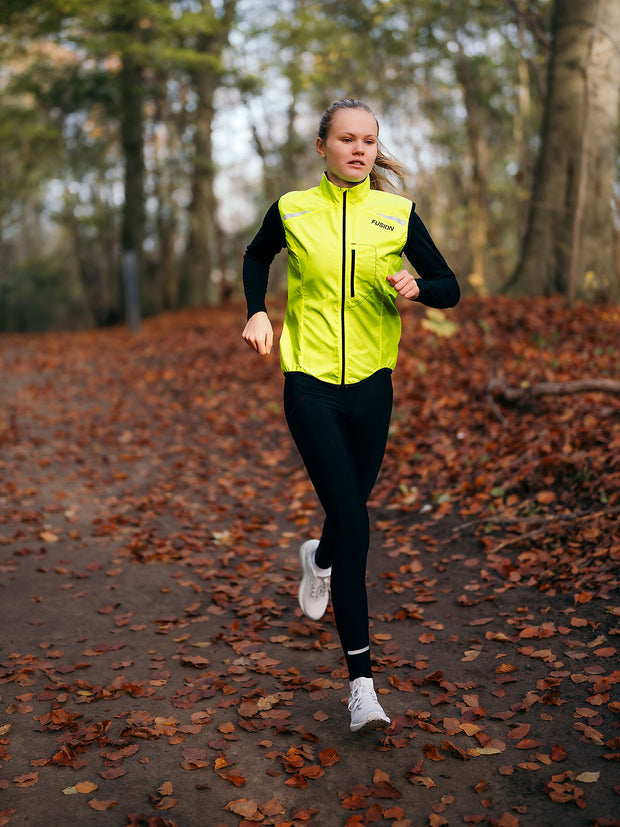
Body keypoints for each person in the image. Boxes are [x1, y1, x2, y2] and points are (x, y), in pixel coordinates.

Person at [242, 98, 459, 734]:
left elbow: (449, 285)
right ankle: (361, 684)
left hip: (373, 387)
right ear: (323, 147)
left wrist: (421, 288)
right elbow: (258, 257)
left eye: (368, 140)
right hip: (308, 382)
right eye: (346, 139)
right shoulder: (292, 209)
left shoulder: (398, 215)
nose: (359, 149)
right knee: (357, 524)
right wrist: (257, 309)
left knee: (348, 512)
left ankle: (319, 559)